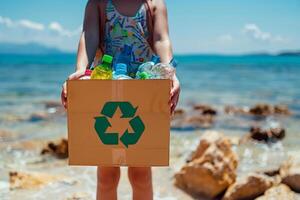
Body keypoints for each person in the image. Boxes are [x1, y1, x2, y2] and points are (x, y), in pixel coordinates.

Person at [61, 0, 180, 199]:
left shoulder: (153, 4)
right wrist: (81, 71)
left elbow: (161, 39)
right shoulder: (98, 3)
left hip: (144, 87)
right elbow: (89, 35)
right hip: (106, 87)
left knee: (141, 174)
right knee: (106, 175)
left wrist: (170, 73)